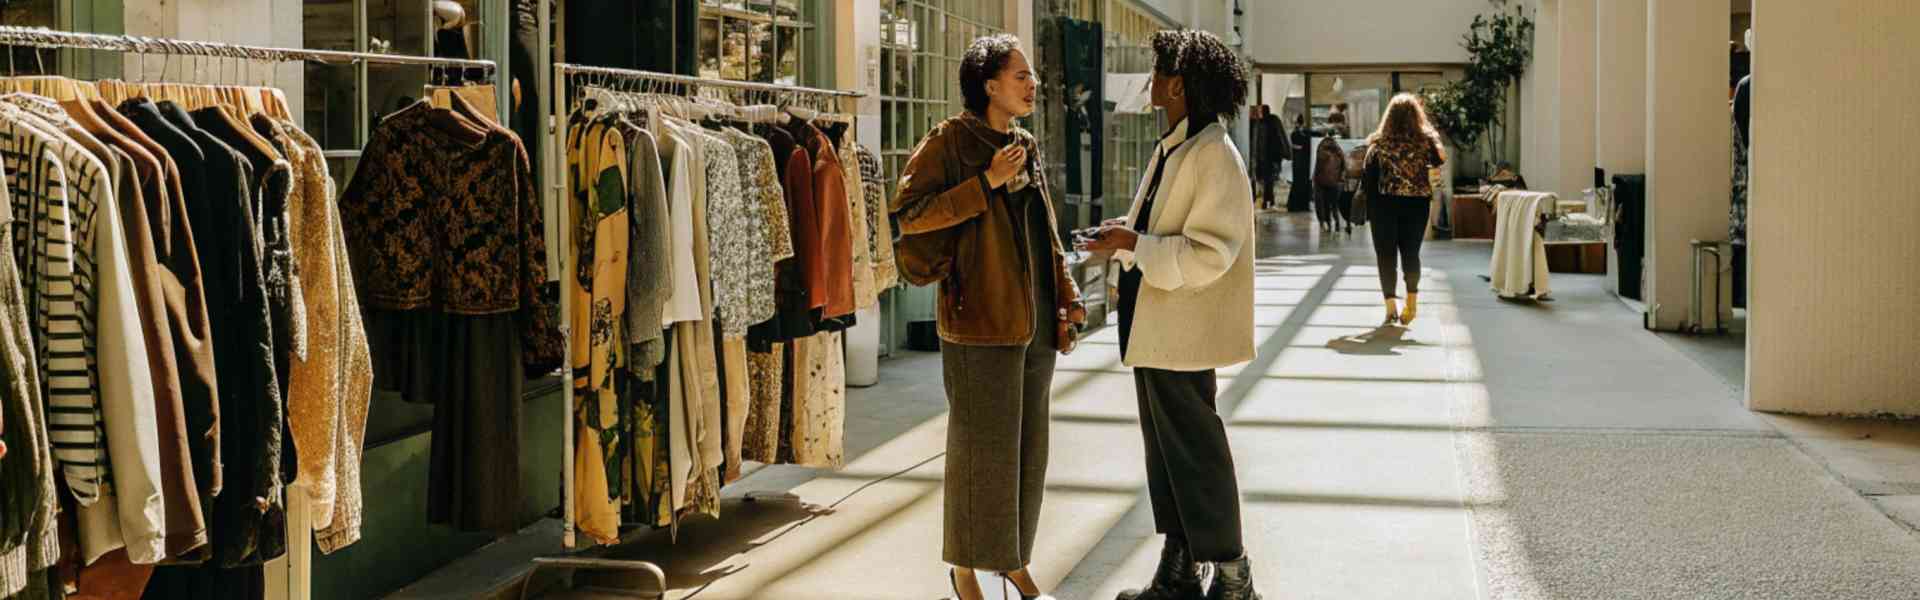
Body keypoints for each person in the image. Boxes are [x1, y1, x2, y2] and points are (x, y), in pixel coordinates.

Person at [891, 33, 1083, 600]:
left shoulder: (1024, 143)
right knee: (981, 452)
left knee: (1028, 451)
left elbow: (1045, 227)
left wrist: (1068, 293)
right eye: (1020, 76)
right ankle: (966, 568)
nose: (1032, 84)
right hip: (979, 319)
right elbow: (910, 216)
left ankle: (1014, 559)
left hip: (1037, 319)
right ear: (988, 84)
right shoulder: (950, 141)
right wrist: (985, 183)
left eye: (1031, 76)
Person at [1080, 29, 1262, 600]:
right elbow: (1158, 232)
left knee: (1194, 447)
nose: (1152, 83)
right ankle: (1180, 568)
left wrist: (1132, 243)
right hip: (1158, 327)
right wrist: (1125, 241)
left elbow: (1210, 254)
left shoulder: (1213, 156)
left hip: (1182, 328)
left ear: (1178, 84)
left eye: (1159, 73)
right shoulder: (1179, 146)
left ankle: (1233, 576)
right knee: (1166, 450)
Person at [1362, 93, 1447, 326]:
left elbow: (1368, 180)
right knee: (1411, 254)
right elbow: (1441, 160)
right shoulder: (1426, 143)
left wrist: (1368, 209)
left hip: (1383, 207)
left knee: (1386, 255)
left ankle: (1391, 307)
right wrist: (1430, 134)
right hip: (1417, 206)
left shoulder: (1378, 144)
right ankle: (1412, 303)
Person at [1252, 104, 1289, 210]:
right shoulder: (1273, 121)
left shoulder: (1262, 123)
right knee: (1269, 179)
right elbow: (1280, 137)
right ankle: (1269, 200)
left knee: (1267, 179)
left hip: (1266, 156)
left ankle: (1267, 200)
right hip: (1271, 156)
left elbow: (1260, 141)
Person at [1313, 130, 1347, 234]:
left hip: (1321, 181)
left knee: (1322, 203)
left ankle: (1324, 223)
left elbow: (1318, 165)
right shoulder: (1338, 150)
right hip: (1335, 181)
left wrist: (1315, 177)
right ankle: (1337, 224)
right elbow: (1344, 165)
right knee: (1334, 204)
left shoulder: (1321, 148)